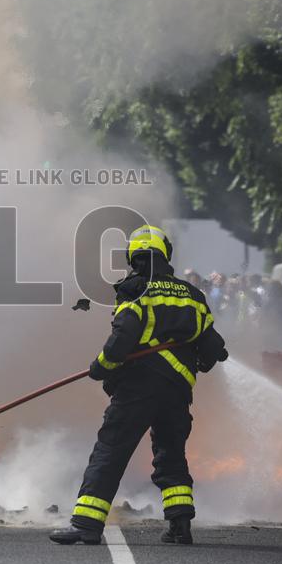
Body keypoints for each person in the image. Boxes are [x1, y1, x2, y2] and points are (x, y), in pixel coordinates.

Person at [49, 224, 229, 546]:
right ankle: (180, 525)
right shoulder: (192, 295)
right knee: (171, 454)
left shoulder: (136, 289)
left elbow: (123, 337)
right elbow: (212, 347)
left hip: (138, 387)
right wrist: (204, 357)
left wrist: (101, 367)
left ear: (134, 256)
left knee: (111, 450)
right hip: (177, 392)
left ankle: (86, 524)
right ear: (165, 254)